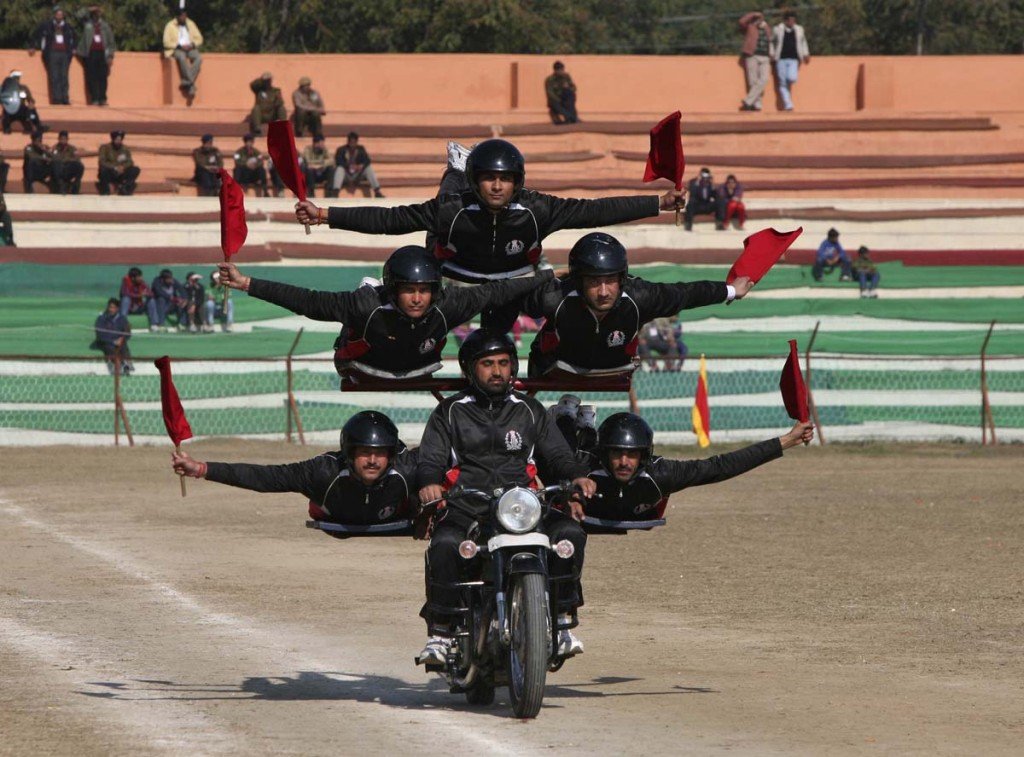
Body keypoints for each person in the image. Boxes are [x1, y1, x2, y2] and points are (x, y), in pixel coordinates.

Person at [295, 138, 685, 331]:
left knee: (511, 329)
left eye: (505, 179)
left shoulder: (538, 209)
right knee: (415, 319)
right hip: (456, 278)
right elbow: (391, 219)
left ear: (517, 183)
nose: (497, 186)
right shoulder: (451, 209)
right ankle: (455, 166)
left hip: (510, 282)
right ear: (477, 181)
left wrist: (659, 204)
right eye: (488, 179)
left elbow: (595, 209)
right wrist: (326, 214)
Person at [415, 330, 597, 663]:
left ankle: (560, 621)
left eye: (503, 363)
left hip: (520, 506)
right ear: (471, 369)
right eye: (487, 364)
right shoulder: (450, 412)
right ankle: (441, 632)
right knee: (443, 544)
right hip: (467, 505)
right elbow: (430, 459)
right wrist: (428, 482)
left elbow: (556, 455)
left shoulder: (529, 410)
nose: (497, 371)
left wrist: (575, 477)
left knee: (569, 534)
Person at [217, 245, 552, 380]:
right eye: (409, 290)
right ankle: (367, 290)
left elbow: (497, 291)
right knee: (353, 315)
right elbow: (309, 301)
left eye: (424, 291)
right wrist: (247, 283)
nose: (418, 299)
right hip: (365, 363)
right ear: (393, 289)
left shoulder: (447, 305)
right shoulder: (365, 306)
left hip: (416, 364)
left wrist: (548, 275)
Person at [523, 232, 750, 378]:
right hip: (562, 363)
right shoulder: (553, 297)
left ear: (622, 279)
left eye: (611, 281)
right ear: (578, 280)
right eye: (593, 281)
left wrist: (729, 290)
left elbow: (686, 293)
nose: (603, 292)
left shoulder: (641, 296)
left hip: (615, 363)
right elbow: (507, 298)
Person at [172, 411, 418, 526]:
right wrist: (203, 469)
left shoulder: (407, 470)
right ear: (349, 453)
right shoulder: (322, 472)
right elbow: (267, 478)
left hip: (396, 515)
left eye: (380, 453)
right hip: (335, 514)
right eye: (364, 453)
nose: (373, 460)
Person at [581, 413, 813, 521]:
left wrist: (786, 441)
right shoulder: (584, 469)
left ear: (643, 456)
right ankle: (578, 423)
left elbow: (720, 466)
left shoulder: (662, 474)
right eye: (616, 453)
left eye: (631, 454)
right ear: (605, 454)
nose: (624, 462)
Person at [33, 8, 76, 105]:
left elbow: (75, 38)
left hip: (65, 53)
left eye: (61, 14)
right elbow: (36, 34)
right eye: (58, 14)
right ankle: (56, 99)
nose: (59, 16)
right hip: (52, 53)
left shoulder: (68, 26)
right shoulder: (47, 25)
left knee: (64, 76)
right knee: (54, 76)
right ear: (54, 15)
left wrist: (73, 48)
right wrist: (33, 46)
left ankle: (65, 98)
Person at [771, 10, 810, 112]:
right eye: (790, 20)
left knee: (792, 77)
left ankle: (788, 97)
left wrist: (806, 54)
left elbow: (803, 42)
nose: (792, 22)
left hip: (794, 59)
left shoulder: (799, 29)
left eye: (793, 20)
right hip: (781, 59)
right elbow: (771, 42)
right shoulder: (778, 29)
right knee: (782, 83)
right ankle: (788, 105)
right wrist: (772, 53)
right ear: (786, 21)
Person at [76, 5, 115, 107]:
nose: (96, 15)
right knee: (91, 77)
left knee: (102, 77)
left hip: (103, 53)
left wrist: (110, 55)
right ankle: (94, 99)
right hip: (90, 53)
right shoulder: (87, 24)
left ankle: (102, 98)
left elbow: (111, 42)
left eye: (98, 13)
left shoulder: (105, 26)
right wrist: (89, 9)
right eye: (94, 13)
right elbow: (77, 16)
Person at [163, 9, 203, 104]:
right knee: (181, 58)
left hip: (190, 47)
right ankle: (191, 85)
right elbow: (166, 42)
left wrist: (192, 45)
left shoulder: (190, 24)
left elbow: (200, 38)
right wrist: (178, 45)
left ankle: (187, 82)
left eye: (185, 16)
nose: (184, 18)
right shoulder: (170, 26)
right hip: (177, 48)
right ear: (177, 17)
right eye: (182, 16)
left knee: (198, 58)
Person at [332, 131, 384, 198]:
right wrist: (349, 166)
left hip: (357, 175)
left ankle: (377, 191)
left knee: (368, 168)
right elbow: (338, 161)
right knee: (340, 169)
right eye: (351, 142)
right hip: (346, 175)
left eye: (354, 142)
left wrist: (361, 166)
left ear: (357, 142)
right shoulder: (341, 150)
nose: (352, 144)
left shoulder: (361, 149)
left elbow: (367, 160)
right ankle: (335, 192)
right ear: (348, 142)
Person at [738, 11, 771, 112]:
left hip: (765, 56)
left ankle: (748, 101)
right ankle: (756, 104)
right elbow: (741, 22)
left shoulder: (766, 27)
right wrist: (752, 14)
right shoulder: (750, 26)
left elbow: (770, 39)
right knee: (753, 81)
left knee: (764, 79)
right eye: (757, 18)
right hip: (752, 55)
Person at [92, 297, 132, 375]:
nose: (111, 309)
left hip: (119, 342)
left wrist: (122, 339)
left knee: (123, 344)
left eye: (113, 308)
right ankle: (120, 366)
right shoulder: (101, 319)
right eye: (110, 307)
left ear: (117, 308)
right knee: (110, 347)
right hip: (106, 342)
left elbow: (128, 333)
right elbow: (100, 335)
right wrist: (113, 341)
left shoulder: (122, 319)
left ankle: (127, 365)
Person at [97, 130, 140, 196]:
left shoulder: (125, 149)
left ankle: (125, 188)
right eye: (117, 139)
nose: (118, 141)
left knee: (135, 169)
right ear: (113, 139)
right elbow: (102, 161)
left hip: (121, 172)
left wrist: (123, 167)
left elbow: (130, 161)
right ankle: (105, 190)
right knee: (103, 170)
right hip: (110, 172)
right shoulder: (105, 148)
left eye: (120, 139)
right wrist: (115, 167)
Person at [300, 133, 335, 197]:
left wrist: (320, 165)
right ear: (316, 143)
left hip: (321, 172)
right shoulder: (308, 149)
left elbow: (331, 160)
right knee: (309, 170)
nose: (323, 145)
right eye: (321, 143)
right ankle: (311, 193)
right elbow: (308, 162)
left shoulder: (324, 150)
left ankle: (329, 192)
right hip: (312, 175)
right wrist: (321, 164)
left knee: (331, 169)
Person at [545, 60, 579, 125]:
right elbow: (550, 93)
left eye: (562, 70)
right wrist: (559, 100)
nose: (562, 72)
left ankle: (570, 118)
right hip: (555, 100)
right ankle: (571, 117)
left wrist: (568, 87)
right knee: (555, 103)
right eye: (560, 70)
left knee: (570, 94)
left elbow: (574, 88)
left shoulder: (566, 77)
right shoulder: (550, 79)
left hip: (565, 99)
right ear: (555, 70)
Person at [51, 130, 84, 194]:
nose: (63, 140)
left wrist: (68, 160)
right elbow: (54, 158)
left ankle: (76, 185)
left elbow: (77, 159)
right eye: (61, 139)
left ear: (67, 139)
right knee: (55, 164)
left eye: (64, 139)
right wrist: (66, 160)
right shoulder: (55, 148)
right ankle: (61, 186)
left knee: (80, 166)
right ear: (58, 139)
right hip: (59, 171)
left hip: (68, 169)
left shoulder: (72, 148)